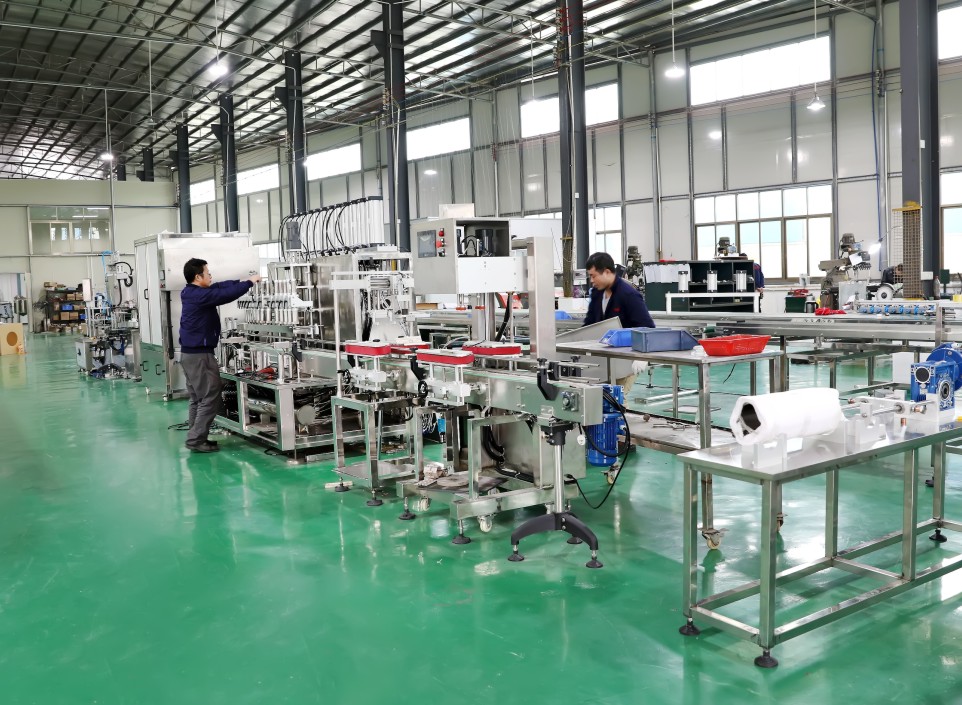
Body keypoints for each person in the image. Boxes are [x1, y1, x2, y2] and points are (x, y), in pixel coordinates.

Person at [180, 258, 260, 453]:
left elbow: (220, 287)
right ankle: (195, 440)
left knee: (197, 399)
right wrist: (249, 284)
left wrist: (242, 280)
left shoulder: (191, 292)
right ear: (198, 277)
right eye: (207, 273)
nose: (210, 276)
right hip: (200, 356)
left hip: (189, 355)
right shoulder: (200, 296)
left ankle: (196, 435)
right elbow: (224, 295)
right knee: (210, 397)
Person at [583, 251, 655, 329]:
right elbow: (589, 325)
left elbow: (647, 328)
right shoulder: (596, 293)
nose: (591, 280)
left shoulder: (629, 295)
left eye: (593, 276)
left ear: (607, 272)